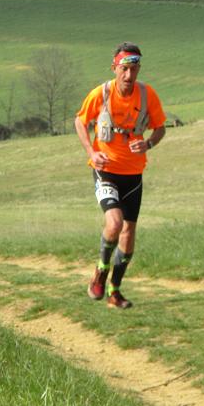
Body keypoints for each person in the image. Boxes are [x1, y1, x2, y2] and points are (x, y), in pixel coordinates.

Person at [74, 42, 166, 309]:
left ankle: (115, 290)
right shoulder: (101, 94)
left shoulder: (148, 95)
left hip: (133, 174)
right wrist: (92, 151)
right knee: (114, 224)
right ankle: (100, 273)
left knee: (128, 234)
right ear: (115, 68)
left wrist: (148, 143)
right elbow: (80, 121)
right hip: (105, 171)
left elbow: (160, 128)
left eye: (134, 69)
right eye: (124, 69)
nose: (129, 75)